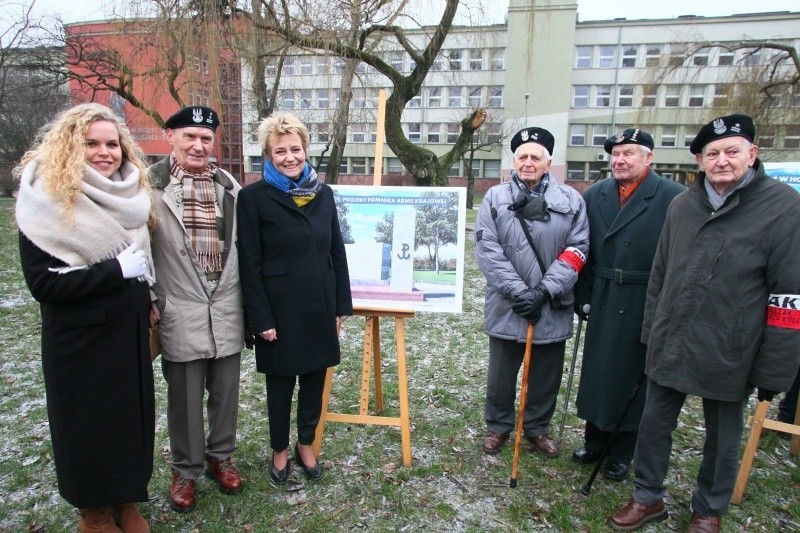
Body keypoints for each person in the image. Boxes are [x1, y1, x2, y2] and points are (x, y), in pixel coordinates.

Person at [608, 114, 800, 532]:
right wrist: (651, 331)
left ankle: (708, 509)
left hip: (732, 345)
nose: (722, 161)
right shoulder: (684, 204)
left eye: (732, 151)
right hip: (672, 337)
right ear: (699, 160)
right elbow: (661, 272)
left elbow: (790, 295)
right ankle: (647, 496)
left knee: (722, 437)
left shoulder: (783, 207)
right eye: (712, 153)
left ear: (753, 153)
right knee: (654, 423)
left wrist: (775, 368)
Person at [15, 103, 155, 532]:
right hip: (80, 343)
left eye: (112, 143)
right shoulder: (46, 200)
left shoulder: (128, 195)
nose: (104, 152)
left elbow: (141, 259)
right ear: (69, 146)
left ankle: (126, 500)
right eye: (91, 143)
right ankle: (93, 512)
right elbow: (44, 285)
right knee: (88, 428)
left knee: (131, 423)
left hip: (127, 335)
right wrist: (114, 271)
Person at [237, 112, 352, 484]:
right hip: (279, 312)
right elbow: (250, 265)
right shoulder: (253, 198)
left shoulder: (324, 194)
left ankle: (306, 444)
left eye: (296, 149)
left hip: (319, 307)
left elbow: (336, 251)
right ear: (268, 156)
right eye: (280, 151)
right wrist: (261, 318)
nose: (290, 157)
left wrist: (341, 306)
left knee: (314, 381)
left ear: (305, 150)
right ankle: (280, 451)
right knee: (281, 385)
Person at [572, 129, 684, 482]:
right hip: (604, 294)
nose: (620, 160)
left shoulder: (674, 197)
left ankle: (622, 452)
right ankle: (595, 441)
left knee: (632, 376)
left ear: (649, 157)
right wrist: (584, 294)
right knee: (599, 372)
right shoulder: (595, 194)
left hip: (643, 297)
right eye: (616, 154)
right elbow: (584, 249)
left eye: (629, 153)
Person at [149, 106, 245, 512]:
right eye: (189, 136)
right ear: (170, 136)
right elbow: (137, 247)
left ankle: (220, 456)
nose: (198, 145)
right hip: (181, 306)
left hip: (226, 305)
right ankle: (185, 470)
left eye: (206, 139)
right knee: (185, 397)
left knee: (225, 393)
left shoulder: (231, 187)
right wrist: (151, 297)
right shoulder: (148, 187)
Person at [475, 126, 589, 458]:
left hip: (552, 303)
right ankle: (498, 425)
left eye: (535, 157)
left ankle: (538, 428)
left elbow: (577, 249)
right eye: (522, 156)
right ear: (514, 161)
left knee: (546, 373)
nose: (528, 162)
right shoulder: (495, 197)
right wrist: (519, 293)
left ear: (548, 161)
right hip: (508, 303)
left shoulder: (571, 200)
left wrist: (543, 291)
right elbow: (488, 249)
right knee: (501, 373)